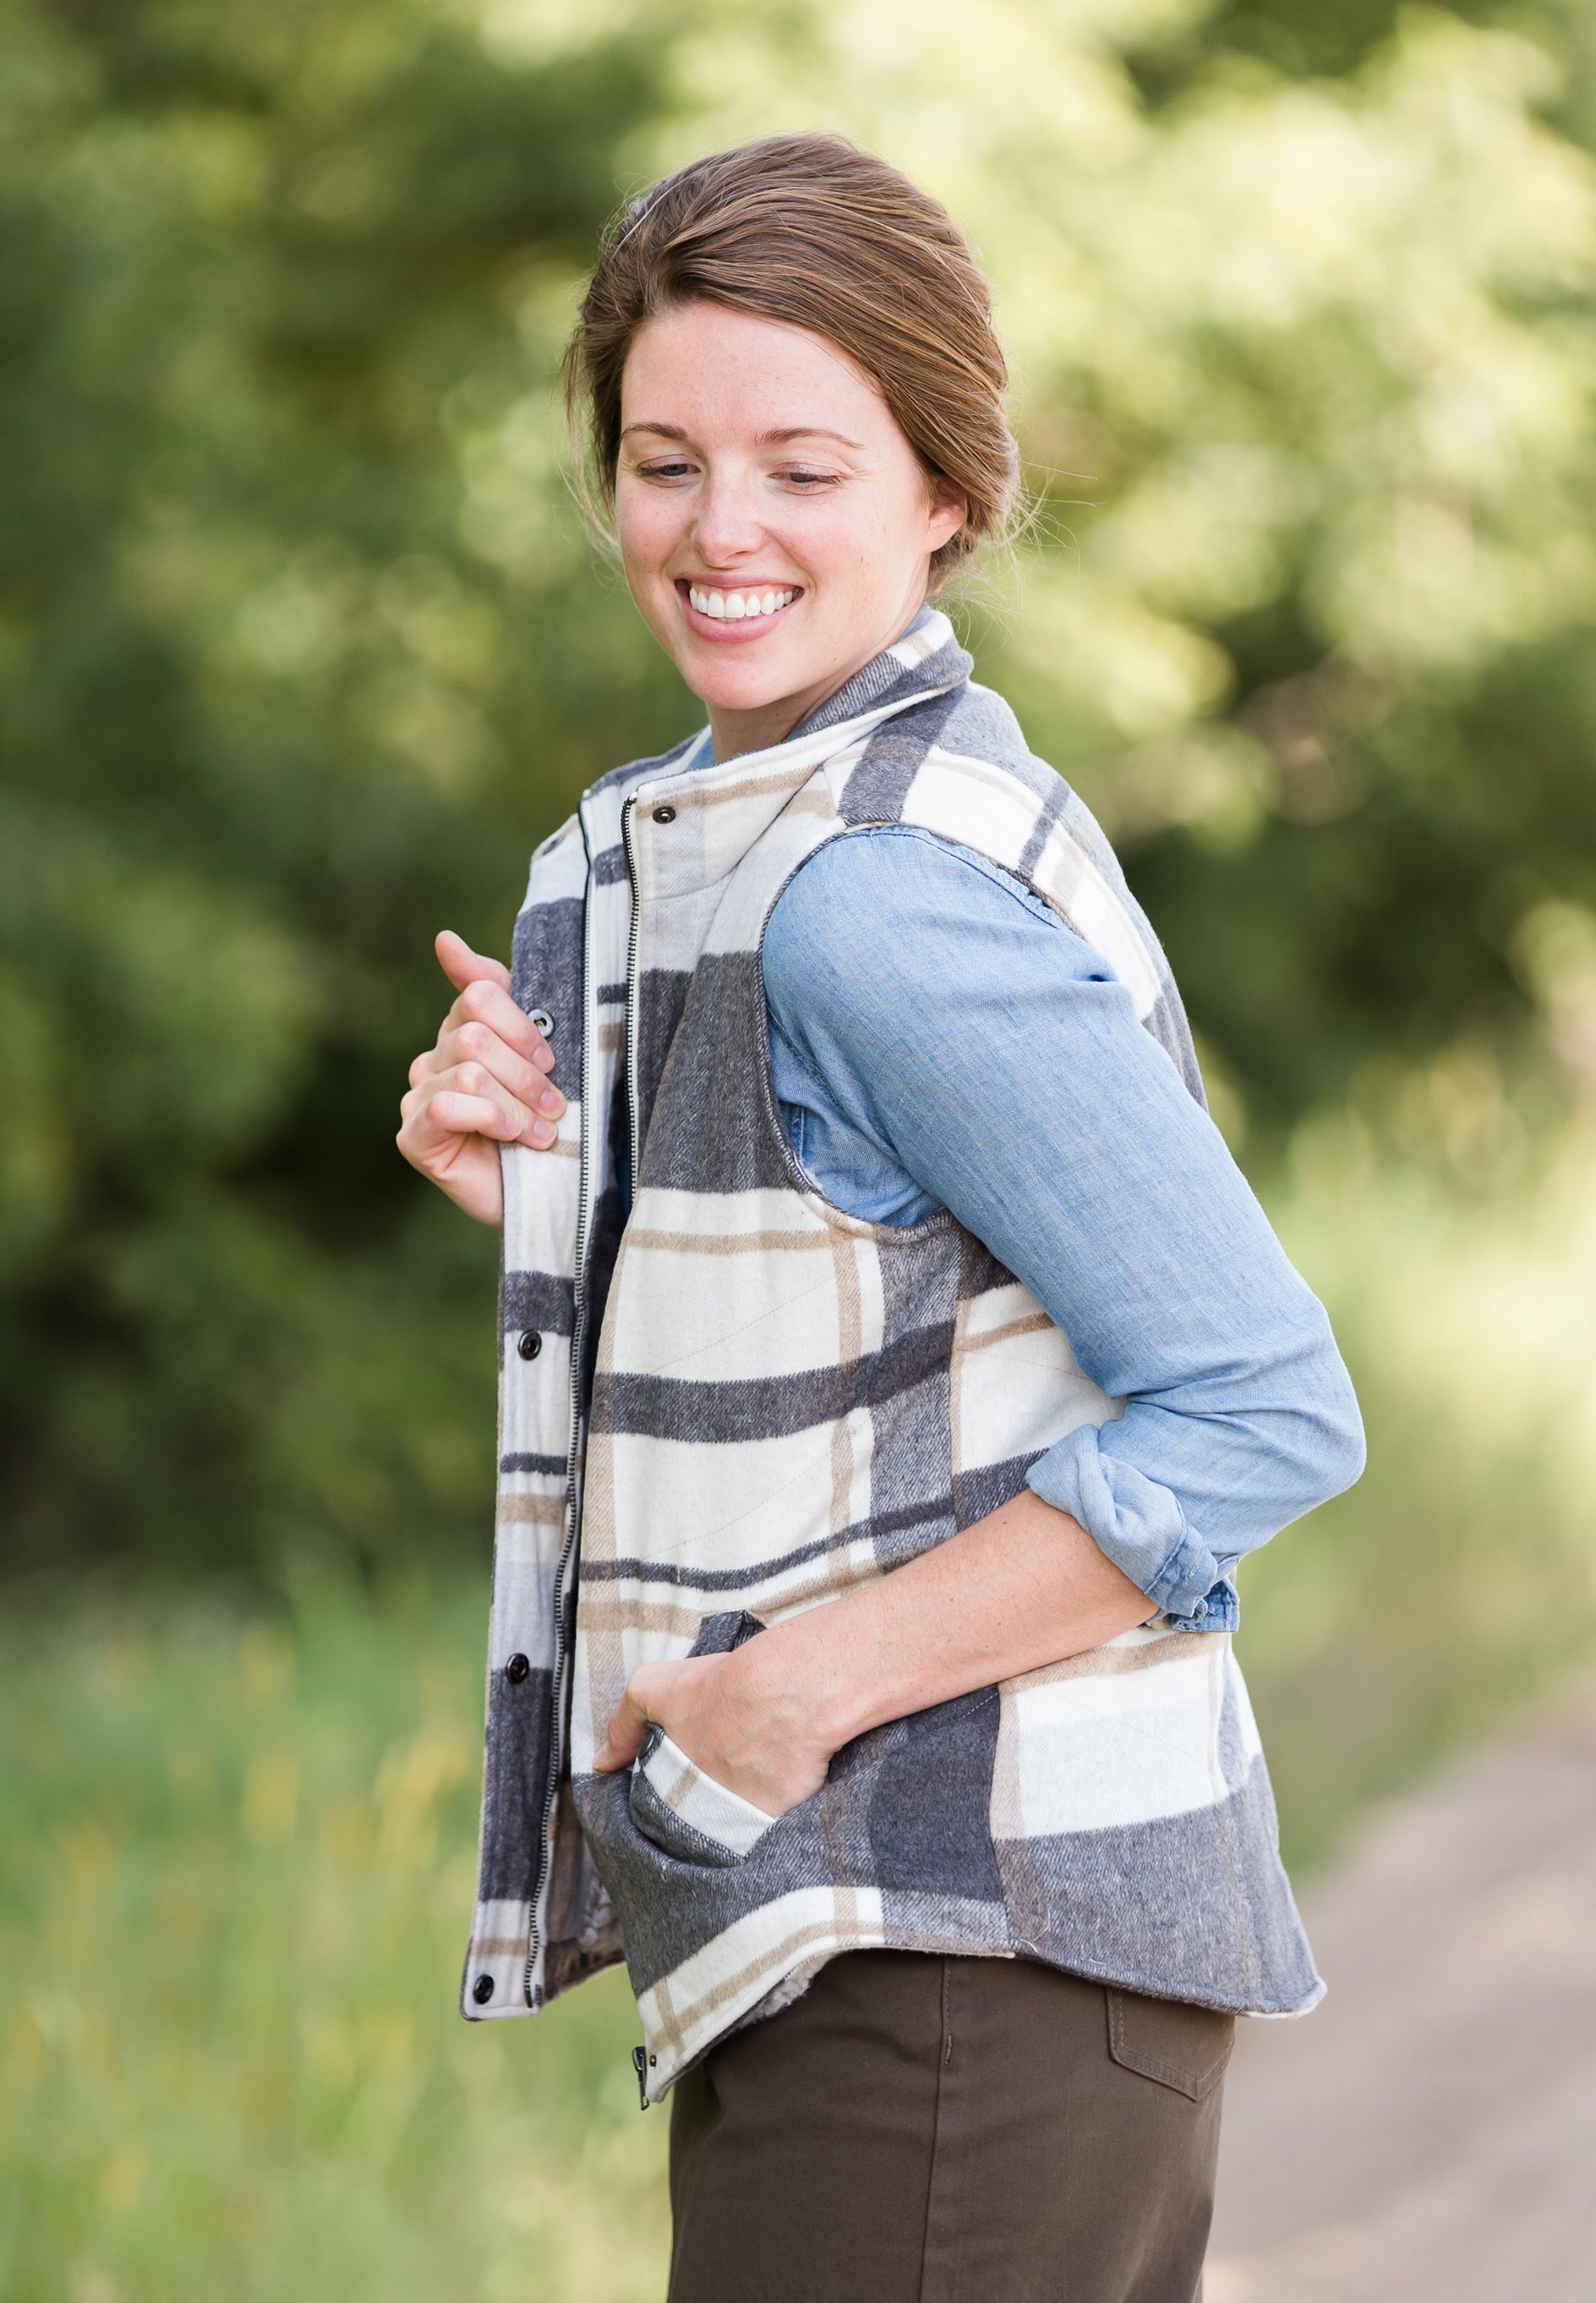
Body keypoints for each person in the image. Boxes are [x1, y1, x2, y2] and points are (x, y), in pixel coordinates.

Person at [396, 134, 1365, 2303]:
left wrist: (784, 1699)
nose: (718, 529)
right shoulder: (776, 829)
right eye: (663, 459)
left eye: (800, 468)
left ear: (944, 490)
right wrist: (557, 1208)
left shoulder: (877, 896)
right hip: (869, 1946)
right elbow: (890, 1324)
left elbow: (1264, 1408)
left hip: (954, 1958)